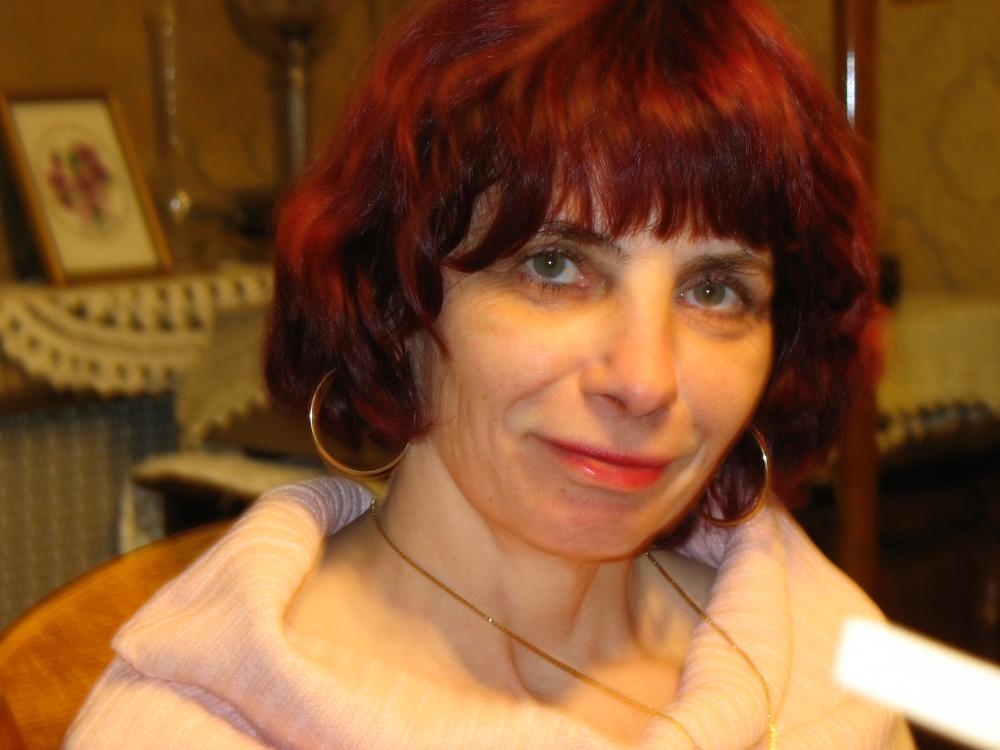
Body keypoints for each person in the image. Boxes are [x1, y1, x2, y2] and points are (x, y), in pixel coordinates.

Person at [67, 0, 915, 747]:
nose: (645, 380)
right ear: (395, 298)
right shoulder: (195, 726)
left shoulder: (822, 652)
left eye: (714, 289)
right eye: (554, 267)